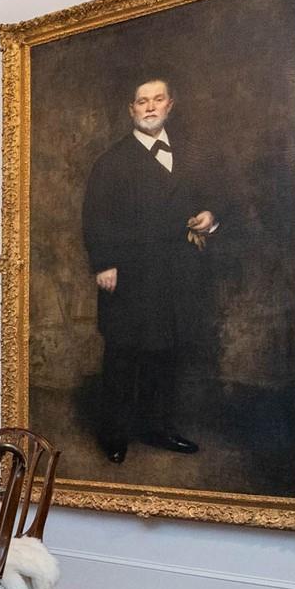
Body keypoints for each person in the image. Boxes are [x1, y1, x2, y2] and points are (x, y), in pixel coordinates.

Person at [79, 76, 219, 463]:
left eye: (158, 99)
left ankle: (158, 428)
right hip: (128, 273)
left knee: (165, 355)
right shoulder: (111, 161)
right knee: (123, 355)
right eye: (143, 101)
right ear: (132, 110)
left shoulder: (191, 154)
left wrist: (210, 217)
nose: (151, 107)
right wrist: (104, 263)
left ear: (170, 105)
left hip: (175, 275)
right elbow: (95, 218)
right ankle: (113, 434)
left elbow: (210, 199)